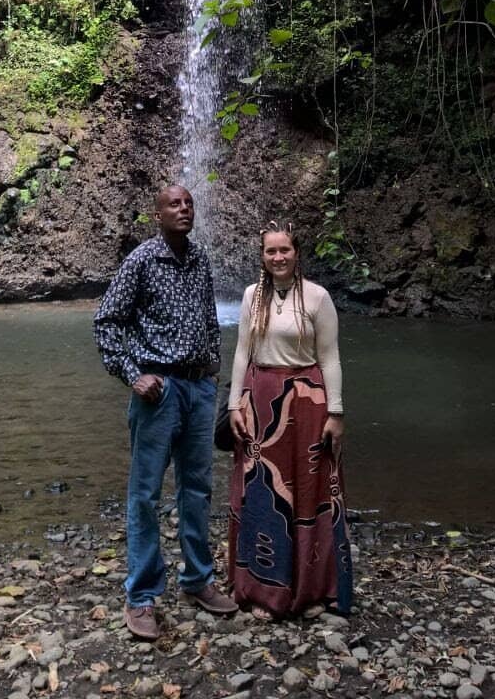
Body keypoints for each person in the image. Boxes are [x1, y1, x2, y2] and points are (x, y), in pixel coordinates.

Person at [94, 184, 237, 640]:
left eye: (189, 203)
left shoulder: (200, 260)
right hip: (157, 391)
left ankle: (198, 579)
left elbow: (210, 321)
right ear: (157, 214)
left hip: (198, 388)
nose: (184, 209)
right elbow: (106, 321)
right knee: (146, 494)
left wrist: (213, 372)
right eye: (174, 204)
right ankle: (141, 597)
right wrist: (132, 374)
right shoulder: (140, 260)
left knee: (197, 489)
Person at [227, 221, 352, 619]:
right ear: (262, 257)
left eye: (285, 250)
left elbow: (329, 357)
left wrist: (336, 411)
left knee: (310, 495)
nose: (278, 257)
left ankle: (315, 590)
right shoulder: (252, 297)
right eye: (270, 252)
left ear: (297, 253)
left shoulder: (318, 297)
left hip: (307, 402)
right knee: (262, 495)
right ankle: (261, 590)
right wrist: (234, 404)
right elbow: (242, 352)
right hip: (261, 400)